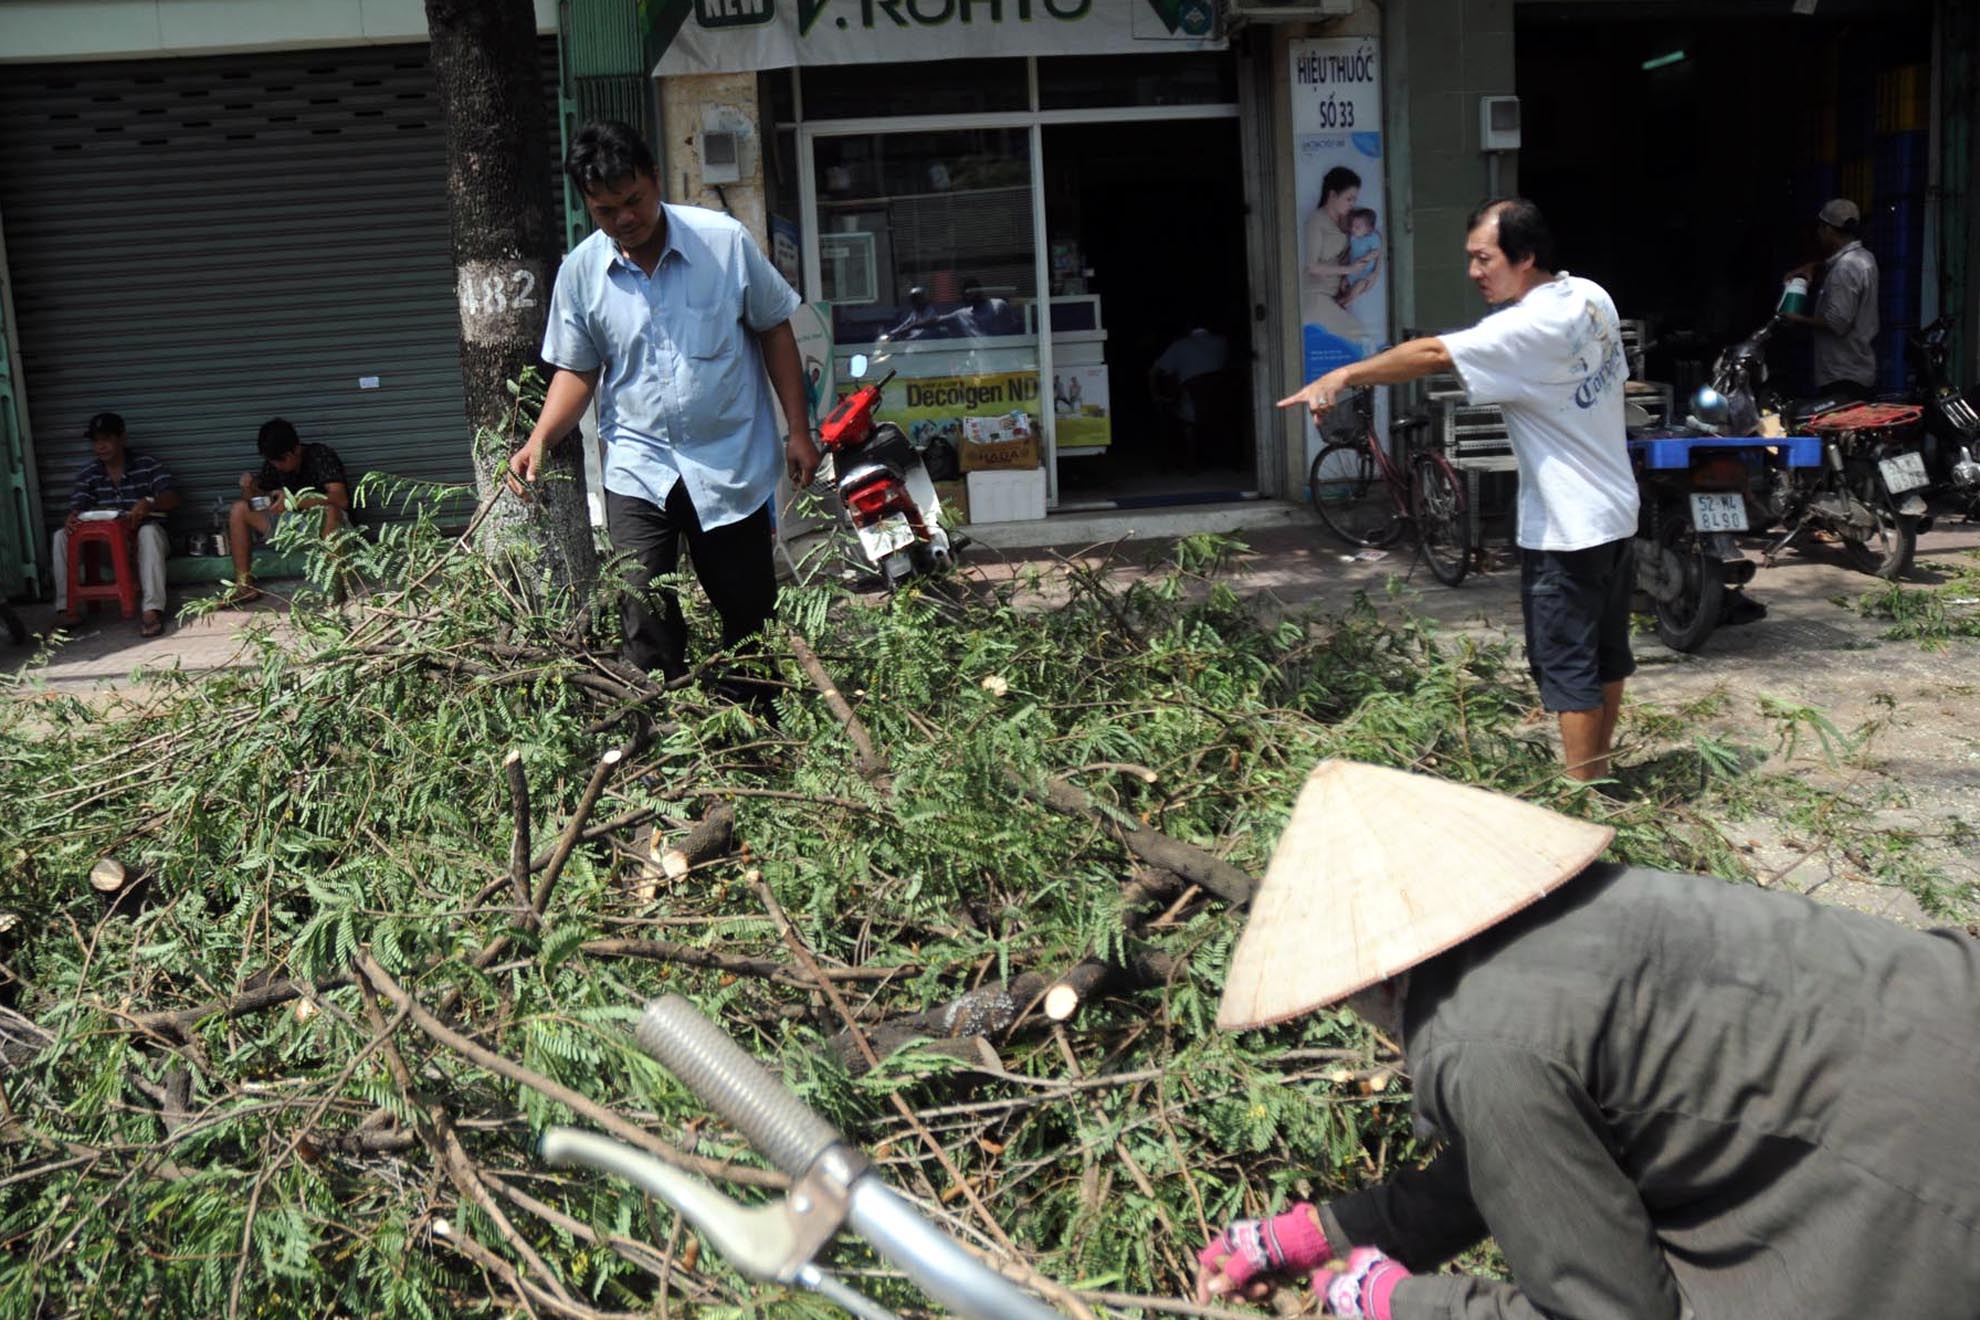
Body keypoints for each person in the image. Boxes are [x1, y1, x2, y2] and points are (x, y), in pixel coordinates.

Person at [1194, 758, 1980, 1320]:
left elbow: (1610, 1308)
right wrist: (1321, 1235)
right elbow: (1530, 1160)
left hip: (1921, 1178)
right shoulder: (1590, 907)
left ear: (1370, 979)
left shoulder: (1479, 1045)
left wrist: (1396, 1301)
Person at [1281, 199, 1637, 783]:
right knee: (1607, 654)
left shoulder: (1525, 326)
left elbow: (1432, 354)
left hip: (1567, 527)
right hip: (1617, 512)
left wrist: (1343, 374)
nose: (1473, 272)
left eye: (1483, 259)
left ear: (1525, 257)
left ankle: (1583, 796)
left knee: (1568, 668)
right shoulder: (1589, 295)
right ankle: (1600, 776)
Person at [508, 119, 816, 682]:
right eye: (605, 211)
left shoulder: (723, 243)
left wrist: (799, 430)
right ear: (587, 205)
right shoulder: (581, 273)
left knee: (748, 618)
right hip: (638, 468)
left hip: (729, 464)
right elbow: (578, 369)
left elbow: (775, 329)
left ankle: (753, 725)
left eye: (634, 201)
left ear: (655, 177)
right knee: (643, 616)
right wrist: (540, 439)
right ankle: (658, 726)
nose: (624, 219)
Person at [53, 412, 179, 636]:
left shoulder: (147, 465)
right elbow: (78, 507)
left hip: (143, 544)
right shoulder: (89, 474)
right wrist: (73, 517)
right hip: (108, 548)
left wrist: (150, 503)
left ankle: (151, 610)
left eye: (106, 439)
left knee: (149, 532)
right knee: (61, 536)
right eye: (96, 441)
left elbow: (172, 498)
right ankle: (67, 609)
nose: (101, 446)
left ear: (122, 438)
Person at [227, 417, 351, 603]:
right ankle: (244, 587)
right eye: (273, 461)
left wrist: (295, 501)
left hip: (327, 527)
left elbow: (341, 499)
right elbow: (260, 502)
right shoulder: (273, 465)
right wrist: (249, 489)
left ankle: (334, 588)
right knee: (239, 509)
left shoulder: (320, 456)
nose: (278, 465)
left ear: (296, 450)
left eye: (282, 460)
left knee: (330, 511)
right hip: (292, 527)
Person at [1781, 198, 1879, 400]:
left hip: (1842, 376)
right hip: (1857, 371)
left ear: (1828, 230)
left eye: (1820, 228)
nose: (1818, 233)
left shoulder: (1845, 268)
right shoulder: (1864, 258)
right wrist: (1813, 266)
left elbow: (1837, 322)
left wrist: (1796, 318)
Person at [1302, 167, 1378, 341]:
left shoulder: (1348, 220)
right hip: (1317, 296)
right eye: (1348, 199)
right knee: (1361, 339)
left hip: (1336, 297)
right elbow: (1312, 266)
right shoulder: (1316, 221)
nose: (1352, 204)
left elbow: (1371, 236)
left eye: (1354, 200)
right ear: (1332, 195)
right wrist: (1349, 270)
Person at [1338, 207, 1383, 312]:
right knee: (1343, 284)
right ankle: (1344, 296)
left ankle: (1346, 301)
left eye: (1357, 227)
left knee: (1358, 286)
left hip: (1365, 272)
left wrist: (1364, 259)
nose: (1353, 229)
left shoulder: (1373, 238)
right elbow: (1350, 250)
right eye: (1352, 226)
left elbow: (1376, 253)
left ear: (1369, 230)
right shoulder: (1353, 236)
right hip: (1353, 270)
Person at [945, 278, 1022, 338]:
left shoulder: (998, 305)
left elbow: (1013, 328)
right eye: (964, 295)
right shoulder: (961, 314)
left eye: (969, 294)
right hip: (975, 352)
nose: (964, 298)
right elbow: (939, 320)